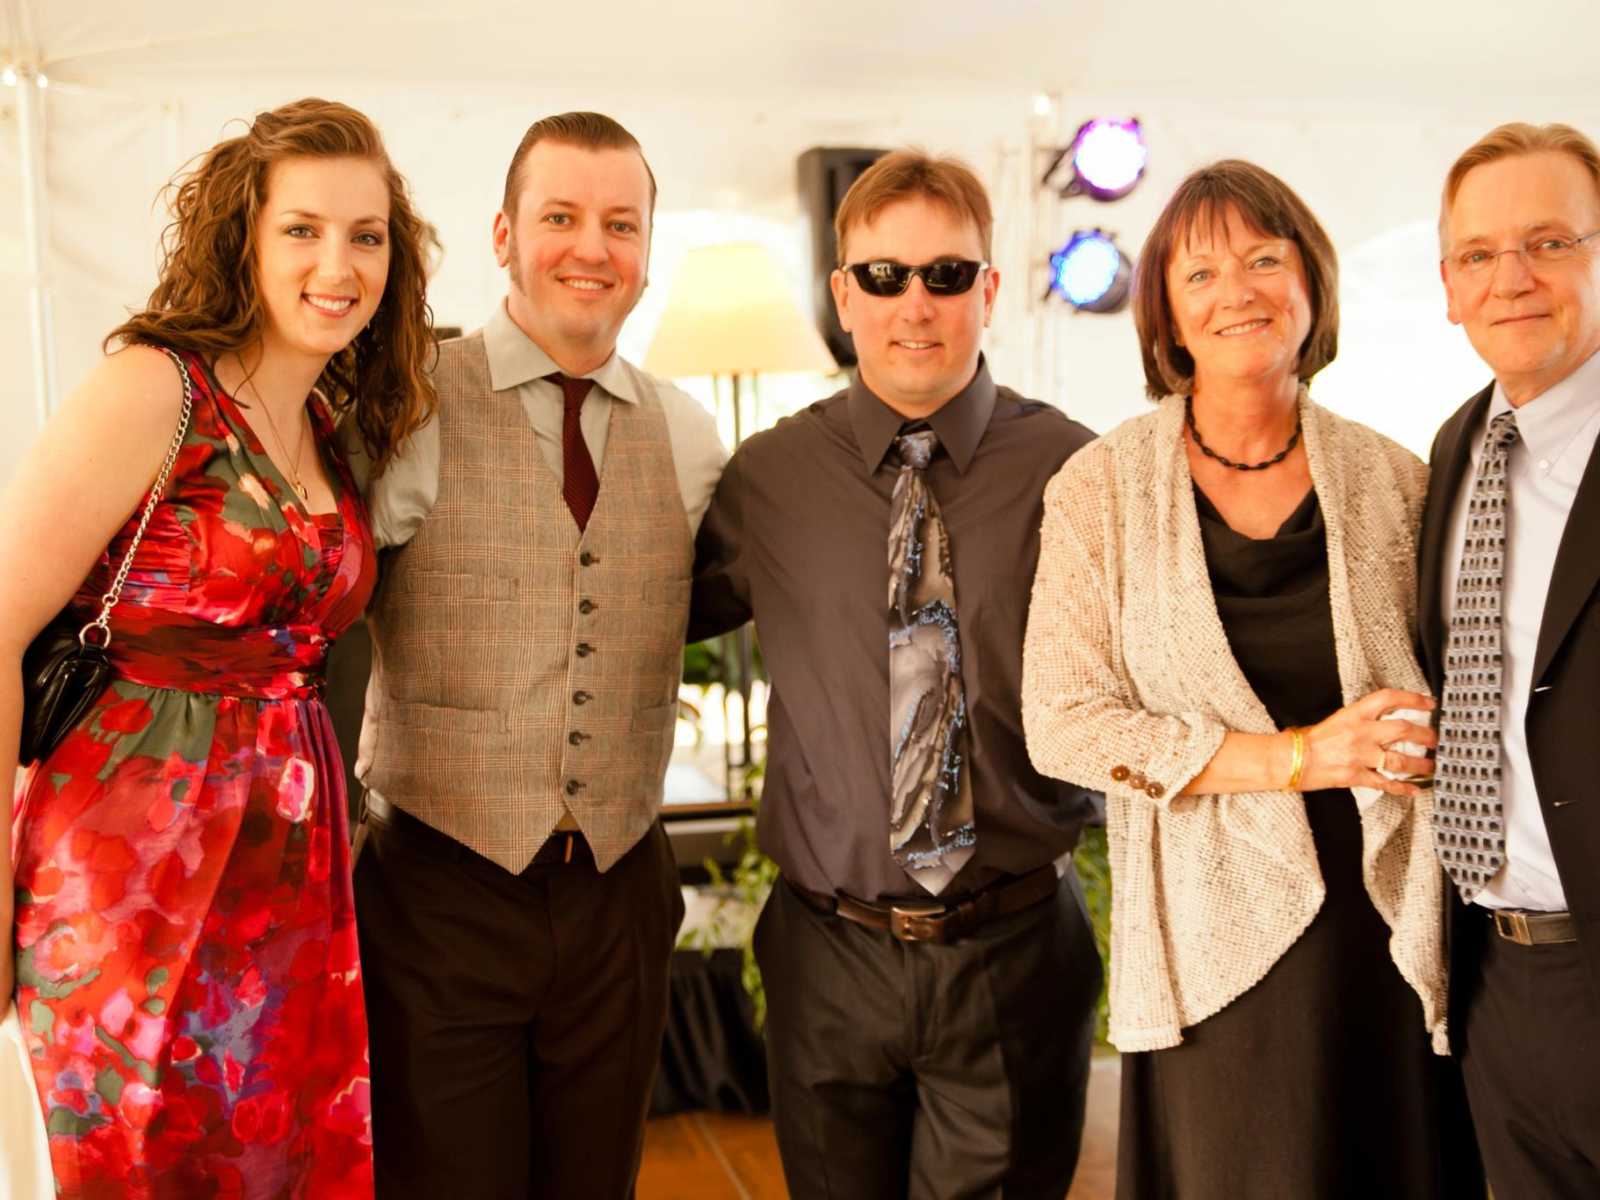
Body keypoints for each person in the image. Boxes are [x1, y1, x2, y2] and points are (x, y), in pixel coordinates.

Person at [0, 97, 436, 1196]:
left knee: (274, 1163)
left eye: (365, 235)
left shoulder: (329, 426)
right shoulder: (156, 388)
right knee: (137, 1165)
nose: (337, 263)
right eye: (302, 229)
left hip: (287, 882)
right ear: (243, 235)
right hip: (128, 878)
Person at [1022, 159, 1481, 1199]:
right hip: (1205, 936)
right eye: (1201, 273)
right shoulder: (1099, 489)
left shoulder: (1396, 478)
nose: (1238, 291)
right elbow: (1060, 724)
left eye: (1264, 259)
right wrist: (1297, 758)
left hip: (1385, 924)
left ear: (1309, 285)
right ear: (1166, 317)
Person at [691, 149, 1103, 1200]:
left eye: (946, 275)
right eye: (882, 276)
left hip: (1013, 950)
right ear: (842, 293)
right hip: (829, 954)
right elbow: (629, 618)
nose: (913, 304)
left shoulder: (1079, 472)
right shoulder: (767, 478)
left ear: (990, 289)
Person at [350, 111, 725, 1199]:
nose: (591, 247)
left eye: (621, 223)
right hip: (438, 889)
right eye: (560, 217)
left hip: (618, 893)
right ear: (505, 234)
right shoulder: (405, 406)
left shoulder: (690, 436)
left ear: (648, 250)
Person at [1421, 121, 1600, 1196]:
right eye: (1479, 255)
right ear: (1448, 286)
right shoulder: (1455, 447)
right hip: (1493, 977)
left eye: (1548, 242)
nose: (1511, 279)